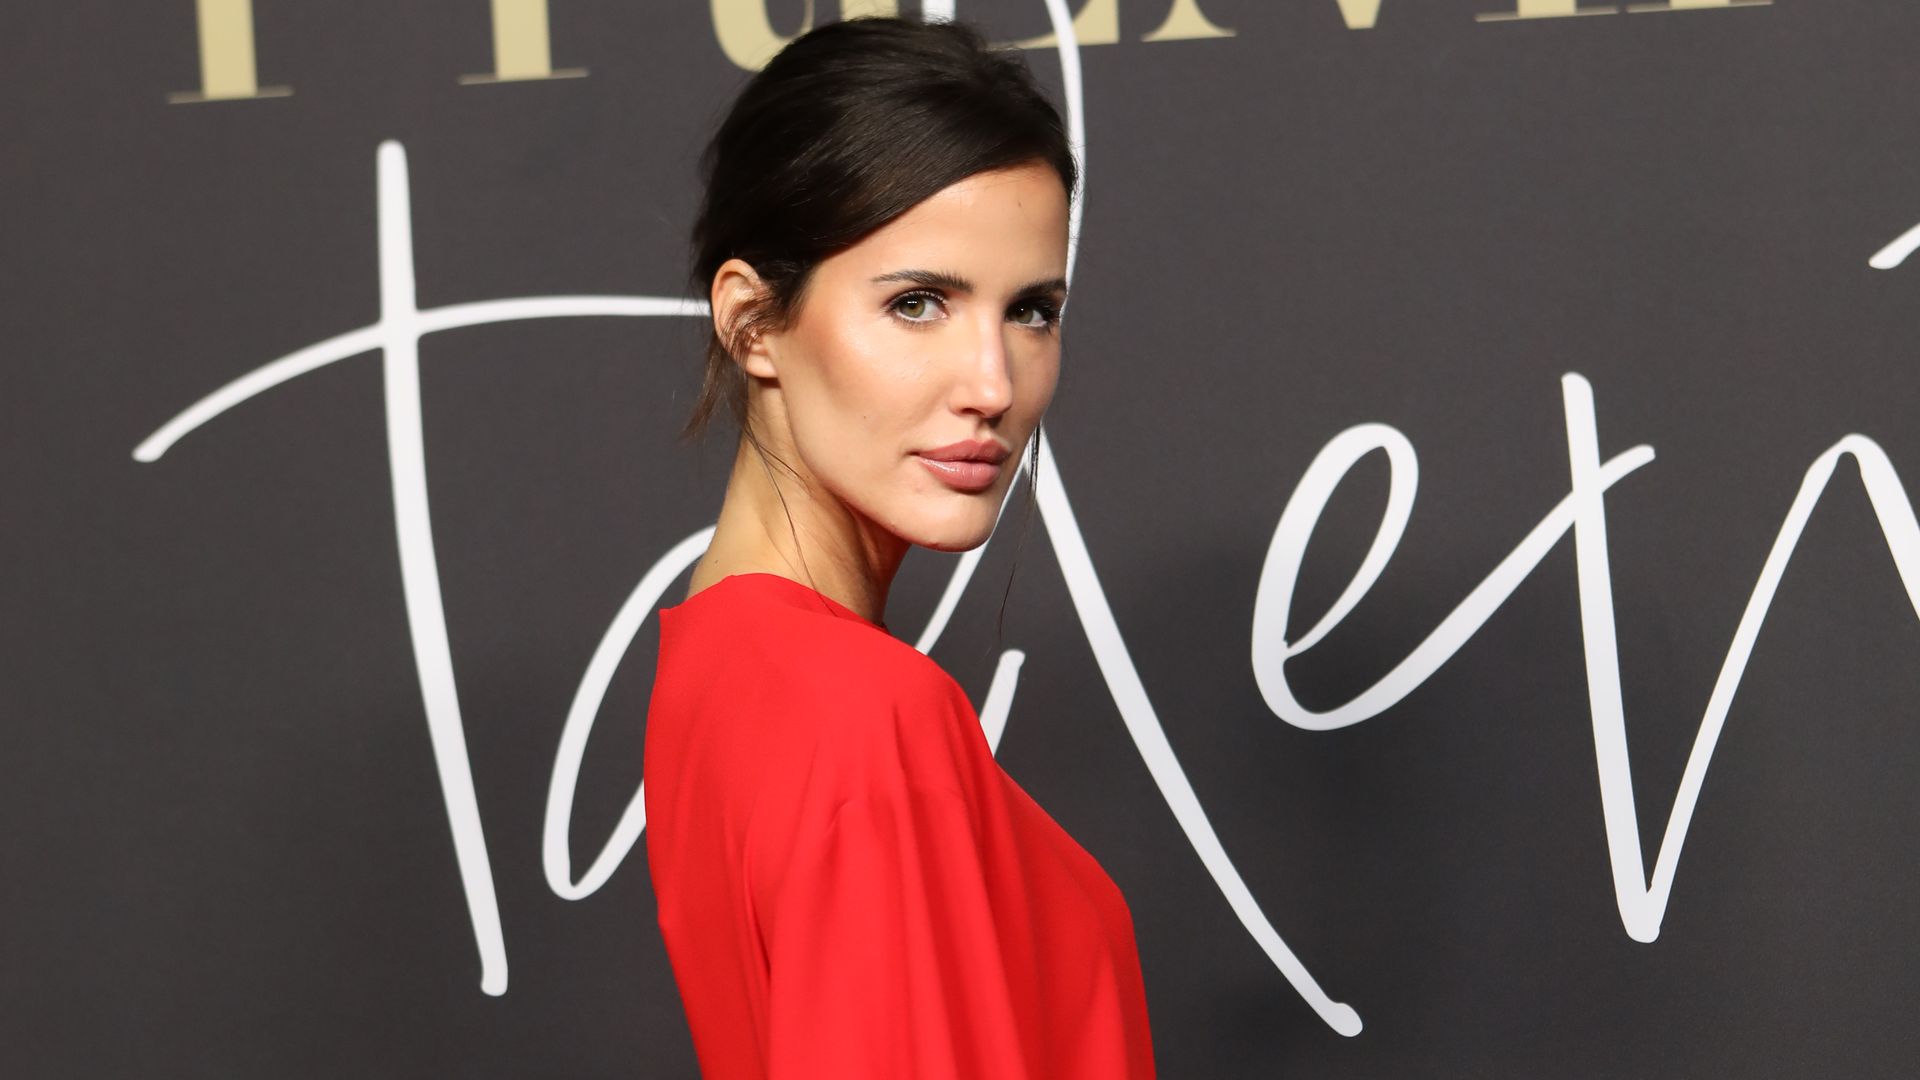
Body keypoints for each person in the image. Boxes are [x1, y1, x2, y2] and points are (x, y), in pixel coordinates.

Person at [643, 15, 1155, 1078]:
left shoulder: (717, 663)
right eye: (918, 303)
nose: (993, 385)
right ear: (752, 323)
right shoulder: (866, 715)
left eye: (1032, 311)